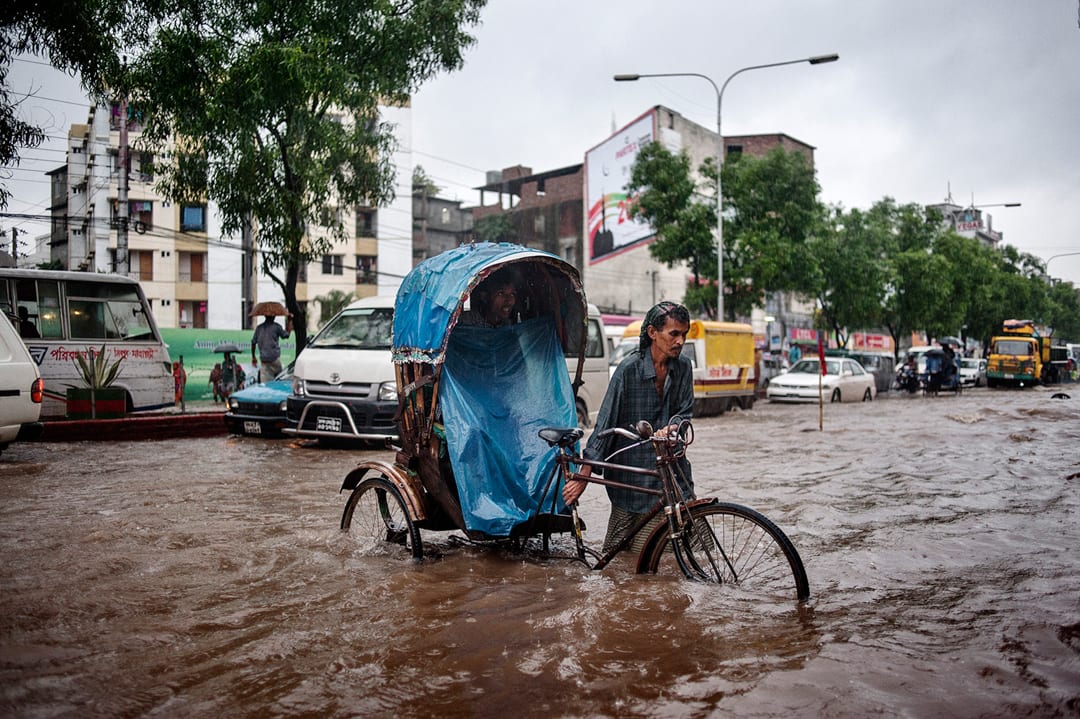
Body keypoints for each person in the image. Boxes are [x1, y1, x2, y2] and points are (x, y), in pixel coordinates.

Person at [562, 301, 694, 553]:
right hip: (632, 472)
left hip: (670, 468)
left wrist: (673, 428)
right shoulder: (628, 370)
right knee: (621, 553)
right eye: (674, 334)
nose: (680, 341)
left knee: (683, 539)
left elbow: (684, 411)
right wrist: (584, 476)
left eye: (684, 334)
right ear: (653, 333)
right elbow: (605, 424)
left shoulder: (683, 367)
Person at [252, 313, 292, 383]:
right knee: (279, 383)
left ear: (265, 316)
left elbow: (253, 342)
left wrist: (253, 357)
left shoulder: (259, 328)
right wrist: (289, 321)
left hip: (264, 362)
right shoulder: (276, 327)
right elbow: (286, 335)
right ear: (274, 316)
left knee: (266, 386)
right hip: (275, 360)